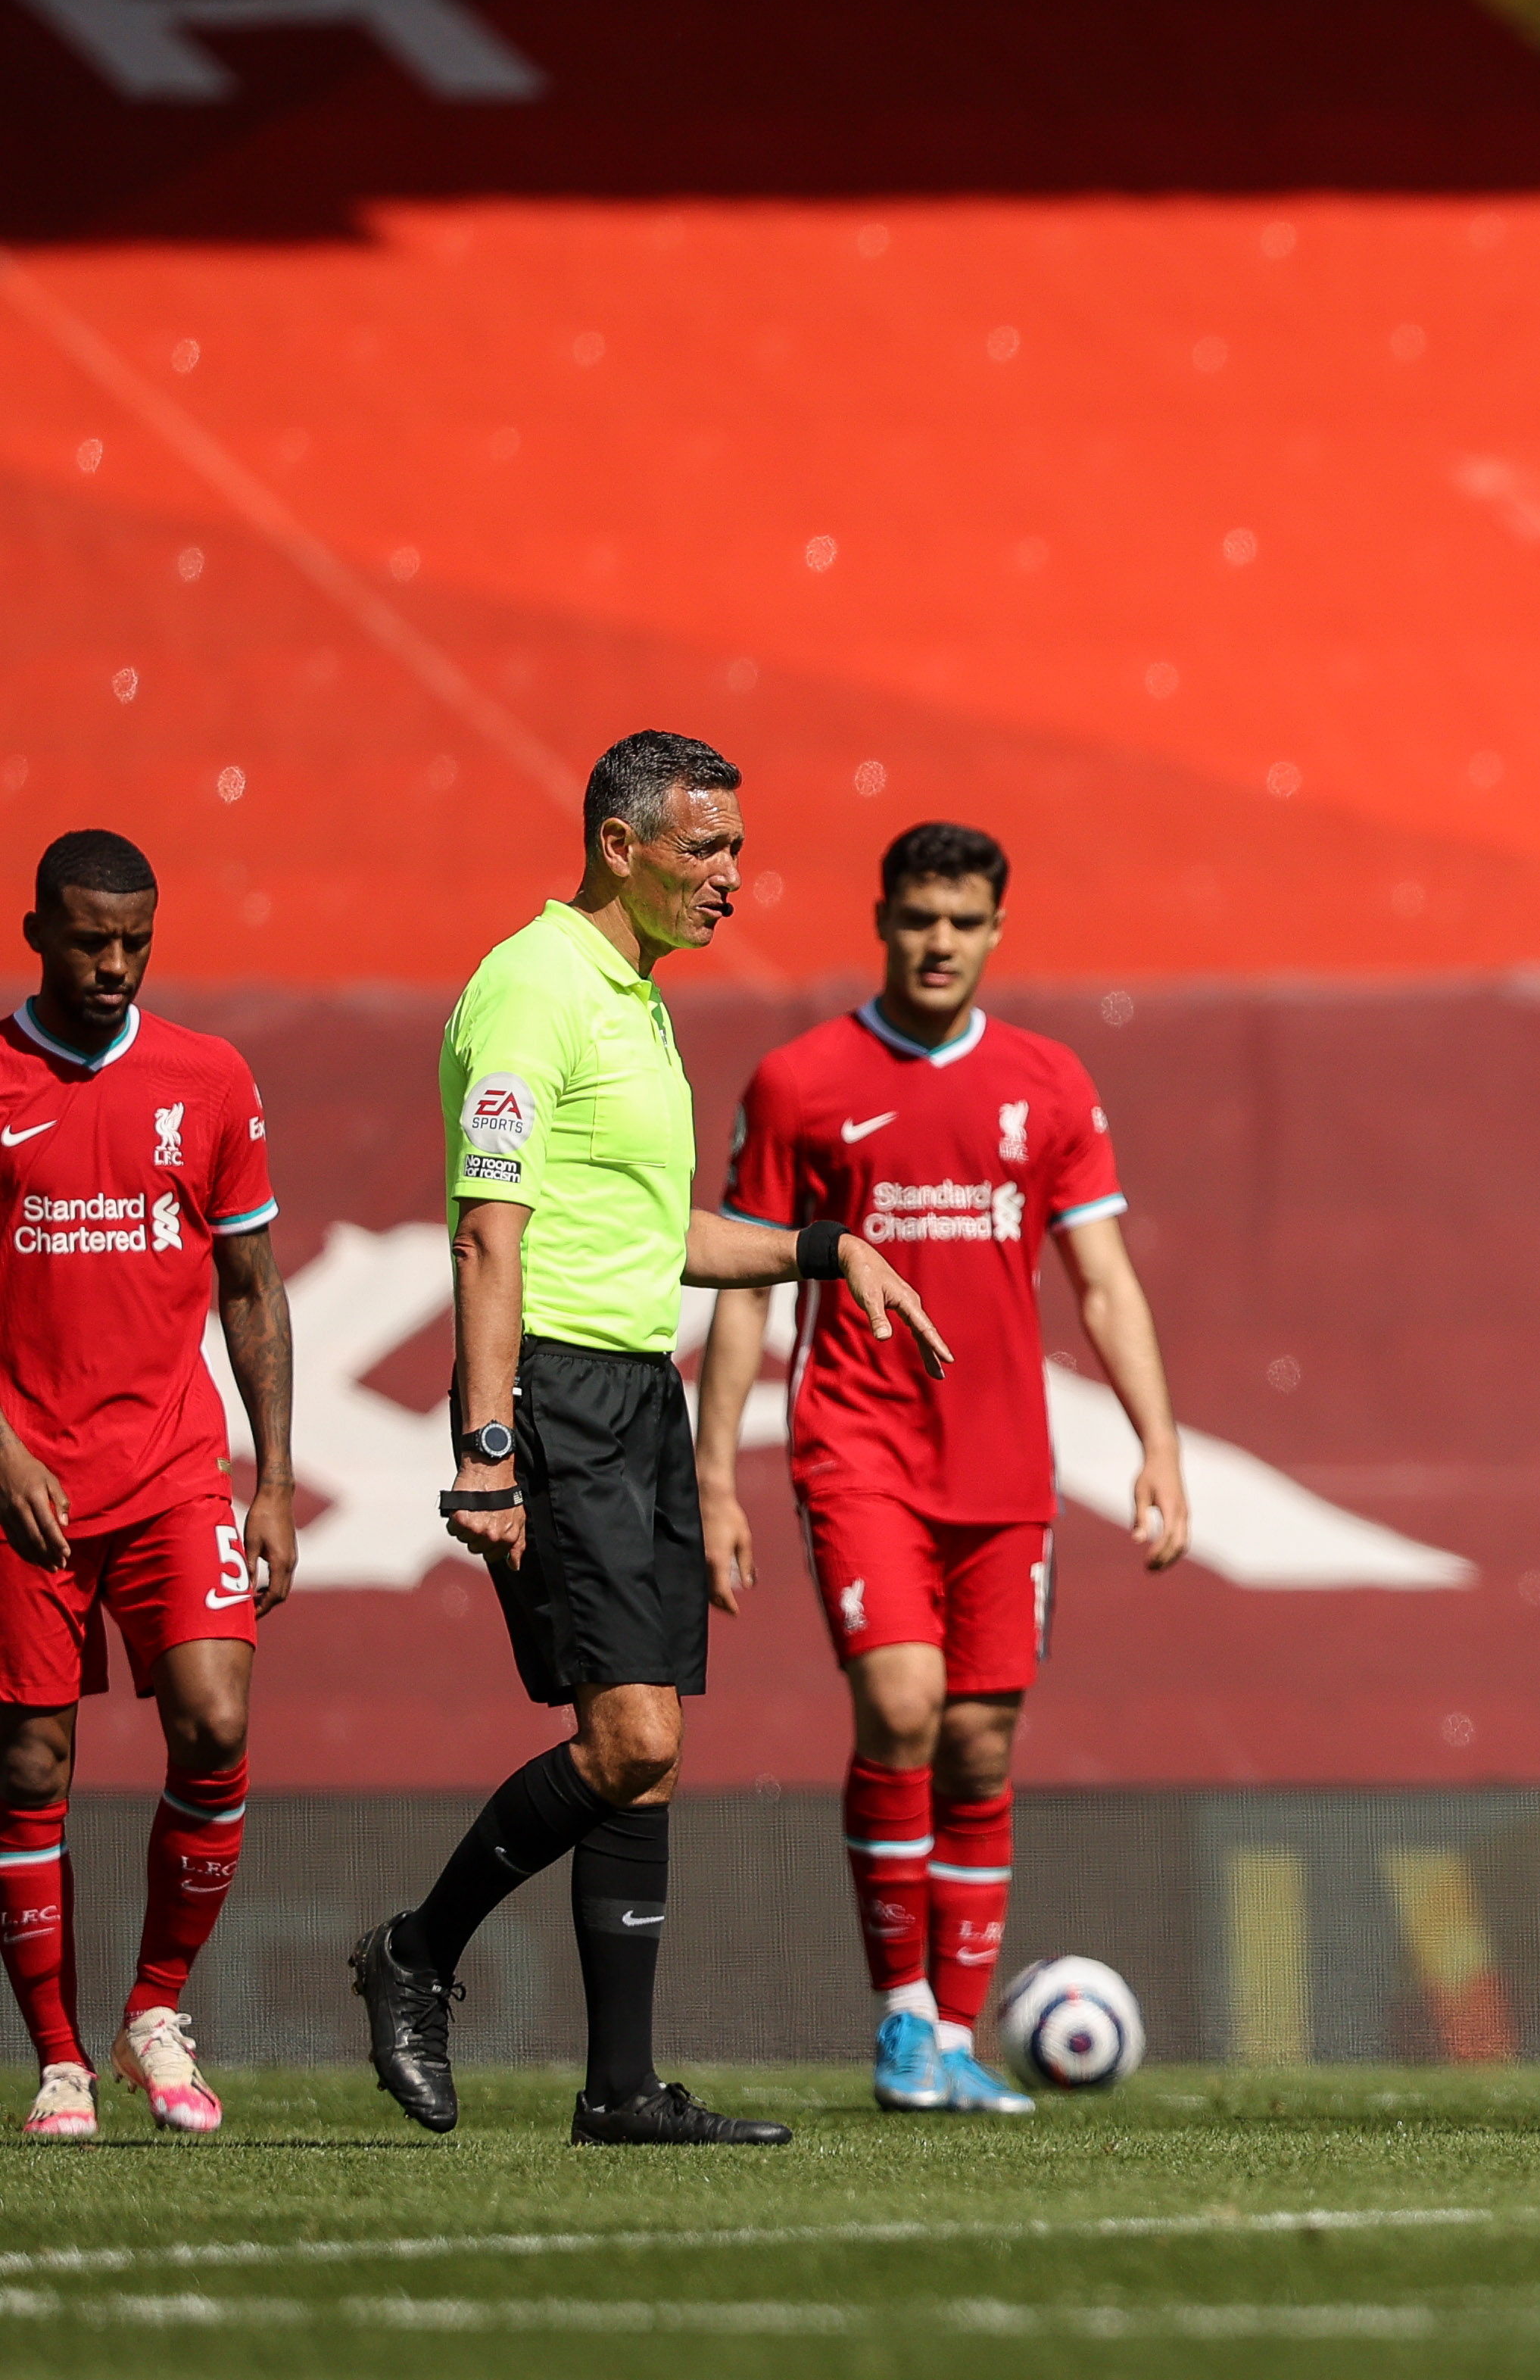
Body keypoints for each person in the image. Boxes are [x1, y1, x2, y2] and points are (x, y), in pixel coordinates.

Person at [350, 731, 949, 2146]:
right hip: (548, 1396)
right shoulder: (532, 988)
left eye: (738, 849)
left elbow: (657, 1234)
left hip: (634, 1394)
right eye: (705, 849)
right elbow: (489, 1231)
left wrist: (824, 1248)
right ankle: (416, 1953)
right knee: (627, 1736)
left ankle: (620, 2089)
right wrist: (487, 1449)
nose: (733, 877)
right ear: (618, 846)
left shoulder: (639, 999)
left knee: (650, 1753)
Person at [697, 820, 1189, 2115]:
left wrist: (1159, 1443)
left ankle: (960, 2036)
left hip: (1003, 1470)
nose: (939, 943)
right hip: (858, 1448)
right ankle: (902, 2016)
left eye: (964, 921)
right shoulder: (802, 1081)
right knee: (903, 1706)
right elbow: (745, 1284)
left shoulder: (1050, 1084)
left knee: (976, 1744)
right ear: (883, 919)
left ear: (996, 930)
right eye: (919, 917)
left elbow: (1104, 1279)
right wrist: (711, 1478)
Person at [1, 831, 295, 2139]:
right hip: (22, 1474)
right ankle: (60, 2059)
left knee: (217, 1721)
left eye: (136, 940)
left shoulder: (208, 1077)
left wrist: (275, 1479)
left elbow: (251, 1286)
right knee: (30, 1755)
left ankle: (153, 2012)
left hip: (173, 1463)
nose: (114, 963)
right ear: (37, 935)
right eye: (89, 939)